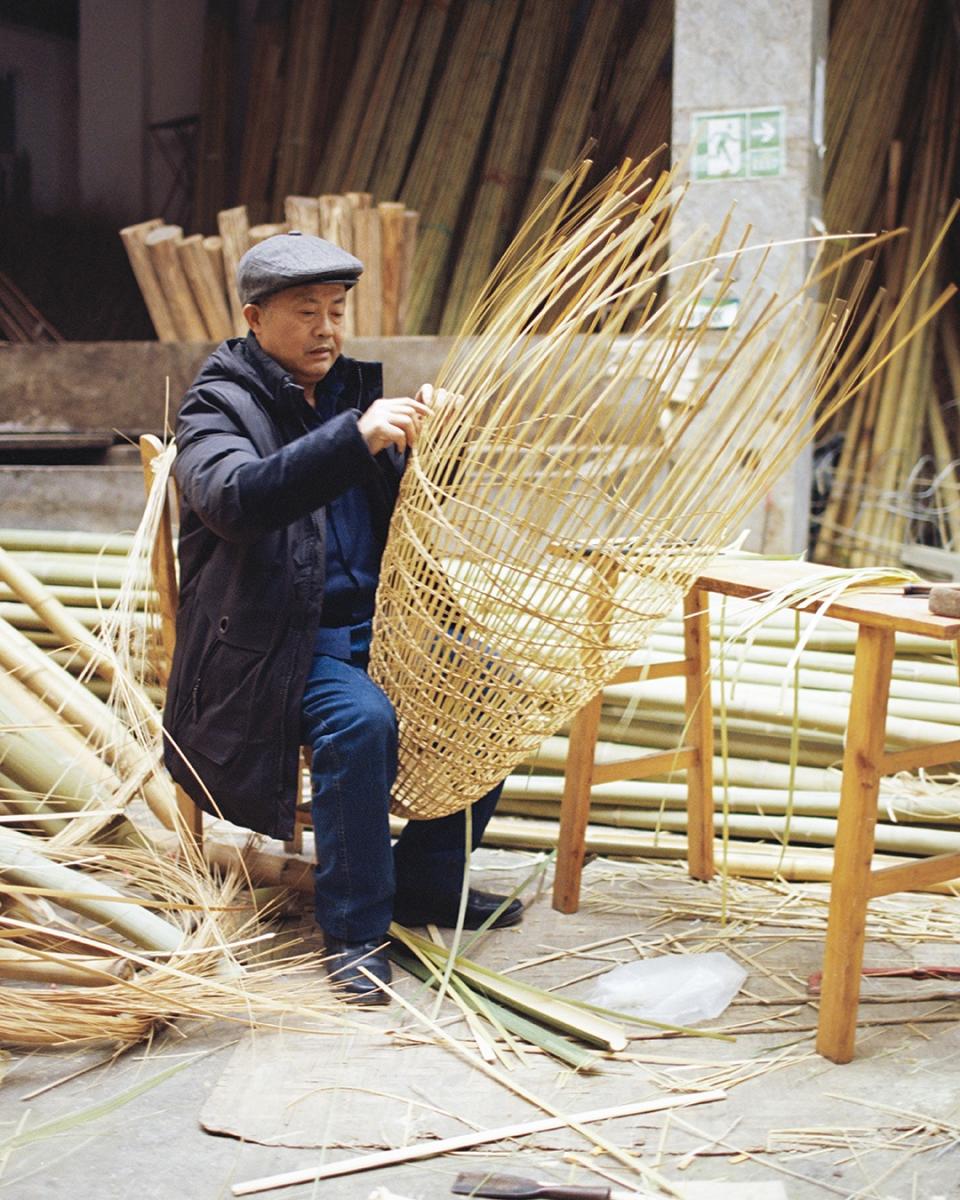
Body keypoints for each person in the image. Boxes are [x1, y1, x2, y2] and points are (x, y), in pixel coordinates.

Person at [163, 232, 521, 1004]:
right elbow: (235, 500)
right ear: (255, 320)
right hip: (278, 643)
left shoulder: (353, 392)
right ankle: (356, 931)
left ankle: (426, 884)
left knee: (497, 687)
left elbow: (420, 510)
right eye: (306, 313)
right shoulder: (217, 405)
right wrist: (353, 436)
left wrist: (442, 446)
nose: (327, 329)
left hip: (387, 628)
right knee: (359, 722)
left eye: (336, 311)